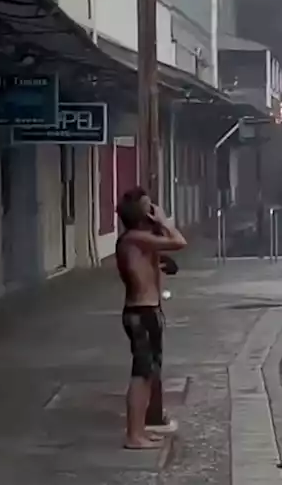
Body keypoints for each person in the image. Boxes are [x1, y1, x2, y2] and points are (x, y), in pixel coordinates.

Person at [115, 186, 187, 450]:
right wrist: (165, 220)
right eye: (150, 207)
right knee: (140, 374)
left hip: (148, 311)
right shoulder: (134, 239)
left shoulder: (141, 241)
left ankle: (141, 429)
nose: (154, 209)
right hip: (140, 313)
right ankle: (133, 435)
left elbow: (159, 263)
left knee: (148, 375)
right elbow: (179, 242)